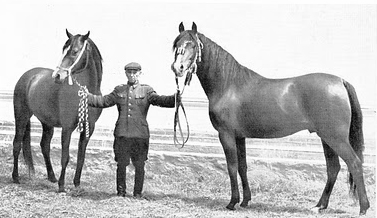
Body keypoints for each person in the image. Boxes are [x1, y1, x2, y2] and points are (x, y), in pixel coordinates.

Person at [87, 62, 177, 198]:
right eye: (129, 73)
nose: (132, 75)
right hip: (122, 135)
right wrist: (86, 96)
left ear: (140, 73)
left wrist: (175, 98)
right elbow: (103, 101)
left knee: (140, 166)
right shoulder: (119, 90)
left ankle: (137, 194)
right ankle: (121, 193)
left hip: (140, 136)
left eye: (135, 73)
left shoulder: (146, 90)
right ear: (126, 74)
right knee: (121, 165)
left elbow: (160, 100)